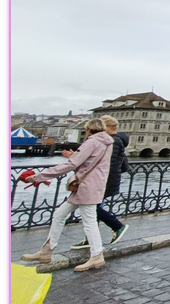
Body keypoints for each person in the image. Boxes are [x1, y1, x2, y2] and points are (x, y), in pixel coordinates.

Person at [22, 118, 114, 271]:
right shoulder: (107, 143)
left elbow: (72, 164)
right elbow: (89, 162)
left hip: (86, 187)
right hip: (91, 186)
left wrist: (40, 176)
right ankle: (47, 251)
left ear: (89, 130)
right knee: (59, 214)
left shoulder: (91, 142)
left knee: (89, 221)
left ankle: (97, 255)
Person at [70, 115, 130, 249]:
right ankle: (90, 239)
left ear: (107, 127)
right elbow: (122, 165)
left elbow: (101, 162)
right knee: (93, 209)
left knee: (92, 208)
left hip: (103, 180)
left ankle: (117, 226)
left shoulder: (112, 141)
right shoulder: (116, 141)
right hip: (106, 179)